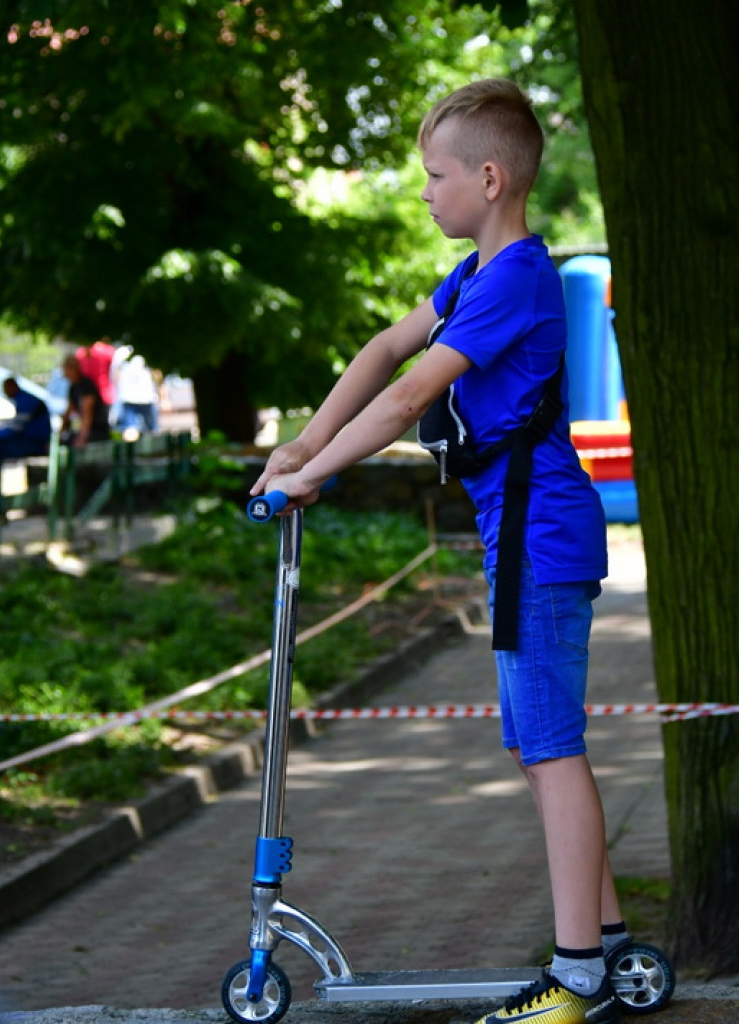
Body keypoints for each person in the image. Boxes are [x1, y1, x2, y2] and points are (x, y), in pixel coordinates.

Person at [251, 79, 624, 1024]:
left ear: (489, 179)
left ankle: (578, 973)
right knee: (535, 744)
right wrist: (304, 444)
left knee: (549, 748)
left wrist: (314, 473)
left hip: (539, 535)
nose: (424, 193)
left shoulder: (517, 280)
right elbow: (383, 350)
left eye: (435, 176)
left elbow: (410, 399)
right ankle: (608, 948)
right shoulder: (474, 278)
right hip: (524, 533)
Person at [0, 377, 52, 463]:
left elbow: (17, 429)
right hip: (30, 439)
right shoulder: (20, 399)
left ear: (12, 386)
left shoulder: (26, 401)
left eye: (5, 389)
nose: (4, 392)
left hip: (36, 442)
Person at [61, 354, 110, 446]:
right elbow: (68, 412)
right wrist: (61, 433)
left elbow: (87, 415)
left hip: (97, 431)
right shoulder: (73, 387)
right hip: (87, 430)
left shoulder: (85, 385)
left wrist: (82, 438)